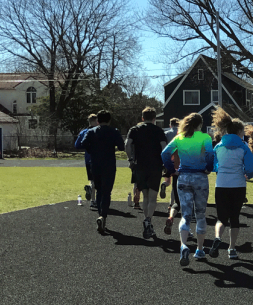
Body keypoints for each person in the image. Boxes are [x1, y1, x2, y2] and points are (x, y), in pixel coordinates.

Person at [163, 112, 215, 265]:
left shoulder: (179, 137)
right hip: (200, 178)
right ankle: (199, 250)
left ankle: (183, 245)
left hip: (183, 177)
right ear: (200, 124)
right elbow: (210, 155)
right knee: (200, 214)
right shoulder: (205, 138)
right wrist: (208, 168)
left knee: (185, 215)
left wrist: (171, 169)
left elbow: (165, 153)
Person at [208, 109, 253, 260]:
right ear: (240, 131)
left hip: (221, 184)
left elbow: (214, 166)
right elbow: (250, 169)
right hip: (238, 185)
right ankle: (232, 248)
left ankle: (217, 238)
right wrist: (246, 173)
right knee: (234, 218)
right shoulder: (243, 147)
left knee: (221, 218)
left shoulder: (218, 146)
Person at [125, 107, 168, 240]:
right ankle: (148, 220)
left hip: (140, 165)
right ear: (154, 118)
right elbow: (164, 148)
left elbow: (127, 144)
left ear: (142, 117)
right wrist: (165, 163)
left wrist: (131, 159)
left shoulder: (134, 129)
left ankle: (147, 220)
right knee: (153, 198)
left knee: (145, 195)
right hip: (155, 166)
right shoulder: (159, 130)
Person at [81, 110, 125, 234]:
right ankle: (103, 216)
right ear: (109, 120)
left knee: (99, 190)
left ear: (98, 121)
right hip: (109, 165)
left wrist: (92, 150)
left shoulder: (91, 132)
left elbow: (82, 144)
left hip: (95, 164)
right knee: (107, 192)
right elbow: (121, 147)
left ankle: (101, 214)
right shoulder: (114, 131)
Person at [75, 114, 98, 210]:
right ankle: (94, 200)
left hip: (88, 159)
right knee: (97, 180)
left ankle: (93, 198)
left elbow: (77, 145)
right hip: (98, 158)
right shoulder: (98, 131)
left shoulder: (84, 132)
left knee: (92, 179)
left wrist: (86, 147)